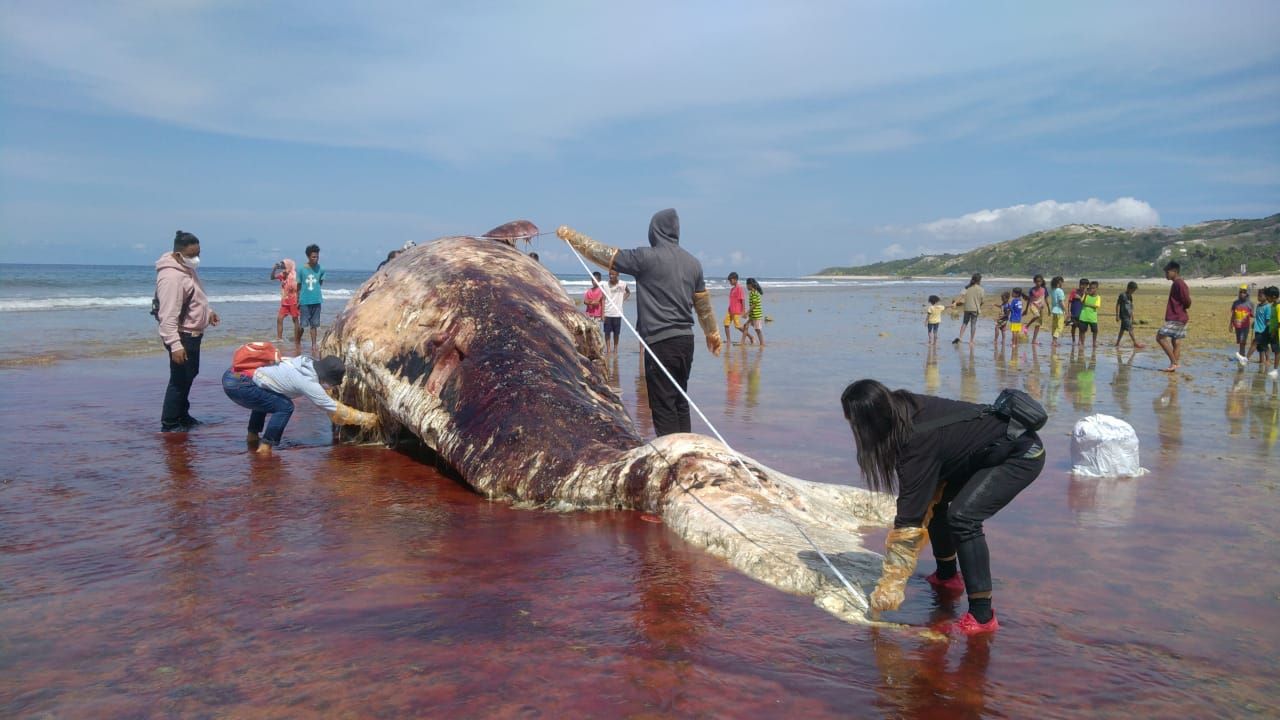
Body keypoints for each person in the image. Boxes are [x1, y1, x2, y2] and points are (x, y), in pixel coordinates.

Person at [841, 379, 1045, 635]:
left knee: (963, 518)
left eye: (855, 425)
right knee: (936, 505)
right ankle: (948, 577)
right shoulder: (903, 407)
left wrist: (891, 585)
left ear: (871, 422)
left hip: (1020, 455)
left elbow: (908, 521)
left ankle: (983, 615)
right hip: (984, 454)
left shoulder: (915, 443)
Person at [557, 209, 722, 436]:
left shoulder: (646, 258)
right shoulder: (693, 263)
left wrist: (572, 237)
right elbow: (702, 304)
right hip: (686, 341)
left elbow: (605, 255)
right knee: (680, 399)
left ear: (654, 231)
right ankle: (687, 450)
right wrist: (712, 333)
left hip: (660, 342)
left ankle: (673, 462)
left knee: (663, 404)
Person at [222, 351, 378, 455]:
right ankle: (265, 446)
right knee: (285, 406)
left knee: (268, 398)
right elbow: (335, 408)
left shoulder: (304, 362)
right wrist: (367, 419)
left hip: (233, 374)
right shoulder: (308, 382)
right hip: (240, 385)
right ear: (326, 377)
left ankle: (252, 437)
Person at [156, 230, 220, 432]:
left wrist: (207, 312)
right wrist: (175, 345)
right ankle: (170, 422)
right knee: (179, 379)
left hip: (193, 333)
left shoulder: (186, 270)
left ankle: (182, 415)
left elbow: (195, 297)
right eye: (192, 255)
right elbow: (167, 316)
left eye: (198, 253)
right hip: (182, 336)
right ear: (178, 254)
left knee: (190, 374)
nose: (196, 259)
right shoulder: (172, 277)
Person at [1155, 261, 1192, 372]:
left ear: (1174, 272)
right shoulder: (1177, 283)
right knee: (1176, 341)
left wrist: (1181, 308)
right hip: (1180, 316)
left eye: (1167, 271)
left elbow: (1187, 301)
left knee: (1160, 337)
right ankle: (1173, 366)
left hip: (1177, 317)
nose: (1166, 274)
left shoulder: (1179, 283)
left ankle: (1174, 362)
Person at [297, 244, 325, 349]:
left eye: (317, 256)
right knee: (302, 325)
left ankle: (313, 345)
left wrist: (315, 292)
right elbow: (298, 285)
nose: (316, 259)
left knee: (314, 324)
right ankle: (298, 341)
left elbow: (319, 283)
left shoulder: (321, 269)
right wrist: (297, 300)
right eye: (313, 257)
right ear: (308, 257)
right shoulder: (301, 269)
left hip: (317, 300)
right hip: (304, 301)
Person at [601, 268, 631, 354]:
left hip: (617, 313)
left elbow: (628, 292)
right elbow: (603, 299)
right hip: (608, 312)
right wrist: (603, 314)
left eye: (613, 274)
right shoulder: (605, 285)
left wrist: (622, 300)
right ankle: (608, 349)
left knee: (616, 333)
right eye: (610, 274)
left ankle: (616, 349)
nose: (611, 276)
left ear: (617, 275)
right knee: (607, 332)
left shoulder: (622, 284)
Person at [271, 258, 300, 344]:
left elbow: (299, 289)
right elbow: (272, 277)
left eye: (283, 264)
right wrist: (274, 269)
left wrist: (299, 301)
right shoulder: (283, 274)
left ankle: (297, 339)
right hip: (285, 301)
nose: (282, 266)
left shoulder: (295, 276)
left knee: (295, 320)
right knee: (279, 319)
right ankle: (279, 338)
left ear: (288, 265)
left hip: (294, 301)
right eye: (282, 264)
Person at [952, 274, 984, 345]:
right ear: (979, 280)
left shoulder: (967, 287)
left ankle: (960, 337)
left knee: (964, 323)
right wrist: (979, 306)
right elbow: (982, 301)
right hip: (975, 309)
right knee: (973, 324)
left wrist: (955, 303)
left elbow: (961, 297)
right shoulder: (981, 289)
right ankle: (971, 341)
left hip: (967, 308)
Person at [1230, 283, 1254, 368]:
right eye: (1240, 292)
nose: (1241, 294)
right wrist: (1230, 324)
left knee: (1242, 341)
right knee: (1240, 341)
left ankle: (1242, 356)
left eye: (1244, 292)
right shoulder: (1235, 303)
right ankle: (1241, 355)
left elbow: (1252, 315)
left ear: (1247, 293)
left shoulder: (1250, 304)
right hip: (1237, 326)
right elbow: (1233, 314)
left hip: (1245, 326)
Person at [1114, 281, 1144, 349]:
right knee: (1130, 329)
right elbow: (1118, 305)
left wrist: (1132, 316)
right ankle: (1135, 343)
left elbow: (1131, 306)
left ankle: (1117, 343)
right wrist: (1117, 315)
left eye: (1134, 290)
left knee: (1122, 330)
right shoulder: (1122, 295)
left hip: (1128, 316)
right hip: (1124, 316)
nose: (1133, 291)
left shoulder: (1130, 296)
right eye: (1133, 290)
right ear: (1129, 288)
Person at [1251, 287, 1273, 369]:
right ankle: (1261, 360)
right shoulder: (1258, 306)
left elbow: (1268, 320)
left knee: (1264, 345)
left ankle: (1267, 360)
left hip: (1264, 330)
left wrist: (1267, 330)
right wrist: (1254, 323)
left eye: (1260, 295)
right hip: (1257, 328)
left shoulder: (1267, 307)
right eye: (1258, 295)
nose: (1258, 297)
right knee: (1260, 347)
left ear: (1266, 296)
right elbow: (1257, 317)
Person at [724, 272, 747, 346]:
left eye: (731, 280)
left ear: (735, 280)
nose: (730, 282)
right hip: (730, 310)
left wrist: (743, 311)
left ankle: (750, 336)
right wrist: (729, 308)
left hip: (736, 311)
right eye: (729, 281)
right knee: (726, 324)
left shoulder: (739, 288)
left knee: (737, 326)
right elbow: (731, 300)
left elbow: (742, 300)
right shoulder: (732, 289)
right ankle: (728, 340)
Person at [1079, 281, 1102, 350]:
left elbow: (1096, 306)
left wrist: (1087, 305)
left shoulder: (1098, 297)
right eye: (1090, 288)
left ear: (1096, 289)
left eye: (1093, 288)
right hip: (1083, 316)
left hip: (1092, 318)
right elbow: (1082, 302)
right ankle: (1082, 343)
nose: (1091, 290)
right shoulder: (1086, 295)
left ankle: (1094, 343)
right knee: (1082, 331)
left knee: (1095, 331)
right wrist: (1085, 295)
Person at [742, 277, 765, 346]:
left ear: (750, 285)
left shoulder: (754, 293)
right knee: (745, 326)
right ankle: (742, 342)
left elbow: (754, 305)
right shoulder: (752, 293)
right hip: (753, 315)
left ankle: (762, 344)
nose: (746, 286)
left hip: (756, 315)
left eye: (746, 285)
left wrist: (747, 312)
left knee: (758, 330)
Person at [1024, 274, 1046, 344]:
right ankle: (1027, 326)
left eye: (1039, 281)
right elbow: (1029, 300)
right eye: (1037, 281)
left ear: (1042, 281)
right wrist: (1026, 309)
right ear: (1034, 282)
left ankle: (1034, 340)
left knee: (1038, 324)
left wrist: (1046, 307)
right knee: (1036, 315)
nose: (1038, 283)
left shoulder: (1044, 289)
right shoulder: (1032, 290)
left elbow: (1044, 298)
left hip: (1040, 308)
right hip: (1033, 305)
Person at [1068, 278, 1088, 346]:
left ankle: (1079, 341)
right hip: (1074, 312)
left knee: (1081, 328)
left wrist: (1083, 296)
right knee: (1073, 327)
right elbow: (1070, 302)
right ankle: (1073, 340)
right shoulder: (1074, 292)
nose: (1083, 286)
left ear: (1087, 286)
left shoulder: (1087, 294)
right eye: (1082, 285)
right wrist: (1069, 311)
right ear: (1079, 284)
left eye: (1085, 285)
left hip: (1082, 313)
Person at [1049, 276, 1067, 347]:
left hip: (1054, 310)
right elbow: (1061, 302)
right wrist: (1065, 310)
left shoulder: (1053, 290)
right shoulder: (1060, 291)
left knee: (1054, 326)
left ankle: (1053, 341)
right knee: (1059, 327)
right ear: (1060, 283)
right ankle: (1054, 341)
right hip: (1059, 311)